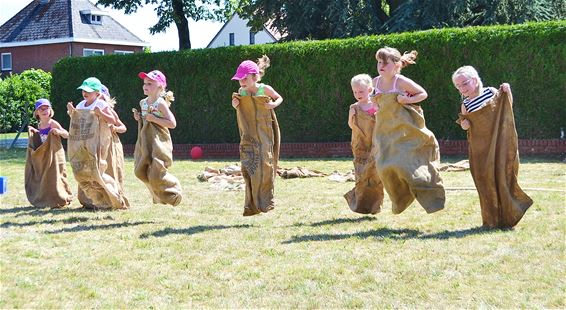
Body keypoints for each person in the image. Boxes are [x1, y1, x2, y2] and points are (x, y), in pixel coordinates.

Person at [452, 66, 532, 228]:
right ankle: (491, 220)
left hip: (500, 146)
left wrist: (507, 92)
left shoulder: (491, 92)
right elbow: (467, 127)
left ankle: (509, 215)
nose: (461, 88)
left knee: (503, 176)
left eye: (464, 83)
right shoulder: (465, 104)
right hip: (482, 150)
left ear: (474, 80)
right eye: (458, 86)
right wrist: (465, 124)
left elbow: (506, 108)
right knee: (485, 181)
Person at [371, 47, 445, 214]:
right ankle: (400, 199)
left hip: (405, 129)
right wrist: (374, 104)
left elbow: (423, 94)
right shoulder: (375, 82)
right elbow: (374, 102)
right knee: (383, 167)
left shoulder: (401, 81)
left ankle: (431, 196)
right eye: (379, 62)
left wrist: (405, 99)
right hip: (385, 130)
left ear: (397, 65)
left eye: (385, 63)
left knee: (405, 166)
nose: (381, 65)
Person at [231, 55, 282, 216]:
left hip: (265, 131)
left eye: (244, 78)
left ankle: (266, 201)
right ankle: (252, 203)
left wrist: (273, 104)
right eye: (239, 79)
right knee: (251, 164)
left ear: (255, 76)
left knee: (265, 162)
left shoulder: (264, 89)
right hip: (250, 134)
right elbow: (241, 111)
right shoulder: (241, 92)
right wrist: (235, 105)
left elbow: (279, 97)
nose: (242, 82)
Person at [66, 77, 127, 210]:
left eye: (88, 91)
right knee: (84, 170)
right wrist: (72, 111)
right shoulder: (81, 104)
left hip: (99, 143)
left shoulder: (101, 105)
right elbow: (77, 121)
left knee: (98, 171)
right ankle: (94, 199)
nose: (84, 93)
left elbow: (114, 120)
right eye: (83, 90)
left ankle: (114, 195)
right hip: (85, 142)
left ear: (97, 94)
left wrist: (101, 114)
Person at [132, 70, 182, 206]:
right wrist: (139, 118)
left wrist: (154, 118)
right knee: (140, 171)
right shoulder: (143, 103)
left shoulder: (160, 103)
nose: (145, 86)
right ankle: (158, 195)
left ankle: (174, 188)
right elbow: (145, 120)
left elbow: (172, 123)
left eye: (149, 83)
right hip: (145, 139)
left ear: (160, 87)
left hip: (159, 141)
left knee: (156, 171)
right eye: (144, 83)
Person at [344, 74, 384, 214]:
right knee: (361, 173)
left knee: (374, 173)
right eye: (355, 92)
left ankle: (374, 205)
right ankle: (359, 203)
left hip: (375, 144)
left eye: (361, 91)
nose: (357, 94)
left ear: (370, 89)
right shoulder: (354, 107)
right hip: (360, 145)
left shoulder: (376, 105)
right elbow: (351, 125)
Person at [25, 98, 73, 208]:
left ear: (50, 110)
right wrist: (34, 131)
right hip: (46, 156)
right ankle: (48, 197)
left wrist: (58, 132)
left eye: (46, 108)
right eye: (41, 109)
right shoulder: (40, 125)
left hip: (55, 155)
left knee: (58, 174)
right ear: (37, 113)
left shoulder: (52, 123)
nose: (44, 110)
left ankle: (62, 195)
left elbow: (67, 134)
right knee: (47, 176)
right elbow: (42, 139)